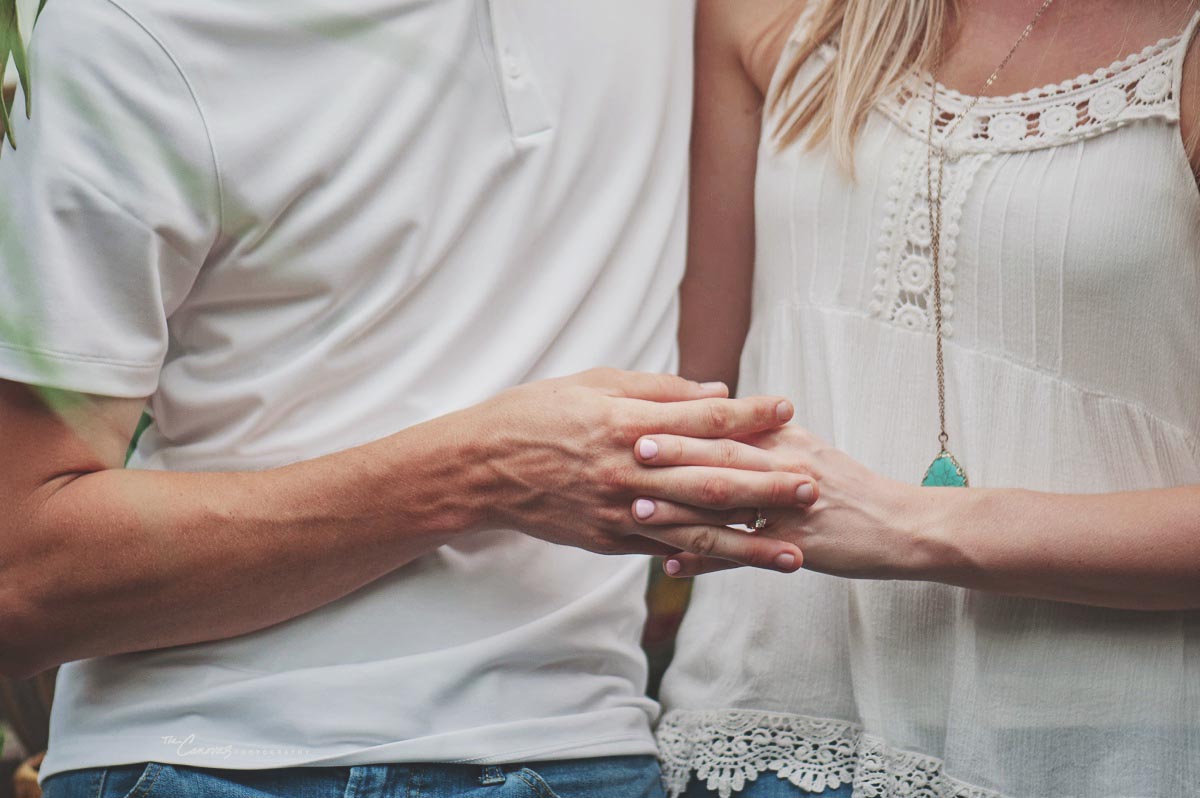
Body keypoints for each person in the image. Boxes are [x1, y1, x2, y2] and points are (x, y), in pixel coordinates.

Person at [0, 2, 823, 797]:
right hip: (207, 759)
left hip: (582, 746)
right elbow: (19, 581)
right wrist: (477, 474)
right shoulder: (125, 31)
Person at [630, 1, 1200, 796]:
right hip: (765, 717)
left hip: (1083, 744)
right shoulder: (771, 16)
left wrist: (909, 527)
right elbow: (693, 387)